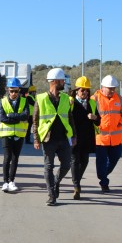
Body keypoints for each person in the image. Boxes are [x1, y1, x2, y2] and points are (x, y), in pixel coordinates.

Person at [32, 68, 76, 206]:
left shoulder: (65, 98)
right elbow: (35, 120)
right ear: (55, 81)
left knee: (67, 164)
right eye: (62, 80)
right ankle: (51, 195)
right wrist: (36, 138)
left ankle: (56, 182)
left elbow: (70, 118)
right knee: (48, 166)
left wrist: (74, 135)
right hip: (48, 139)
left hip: (63, 138)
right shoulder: (41, 98)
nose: (64, 82)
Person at [93, 75, 122, 192]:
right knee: (101, 161)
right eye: (110, 88)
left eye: (114, 88)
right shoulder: (95, 99)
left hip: (116, 138)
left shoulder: (120, 99)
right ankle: (104, 182)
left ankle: (103, 174)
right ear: (103, 87)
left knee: (114, 158)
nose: (112, 90)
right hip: (101, 138)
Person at [0, 77, 30, 192]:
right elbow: (2, 118)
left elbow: (26, 116)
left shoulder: (24, 101)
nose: (14, 93)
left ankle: (12, 181)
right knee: (7, 158)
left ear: (19, 91)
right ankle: (5, 182)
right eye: (11, 91)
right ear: (8, 90)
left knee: (15, 158)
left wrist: (11, 116)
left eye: (16, 91)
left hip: (19, 135)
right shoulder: (2, 101)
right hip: (6, 134)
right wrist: (17, 118)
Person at [69, 76, 99, 200]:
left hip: (87, 138)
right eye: (82, 90)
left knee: (85, 161)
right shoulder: (70, 102)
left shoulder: (91, 103)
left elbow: (99, 121)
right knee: (75, 161)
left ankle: (76, 180)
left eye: (87, 90)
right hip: (74, 137)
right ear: (76, 90)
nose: (85, 93)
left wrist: (95, 117)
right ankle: (76, 186)